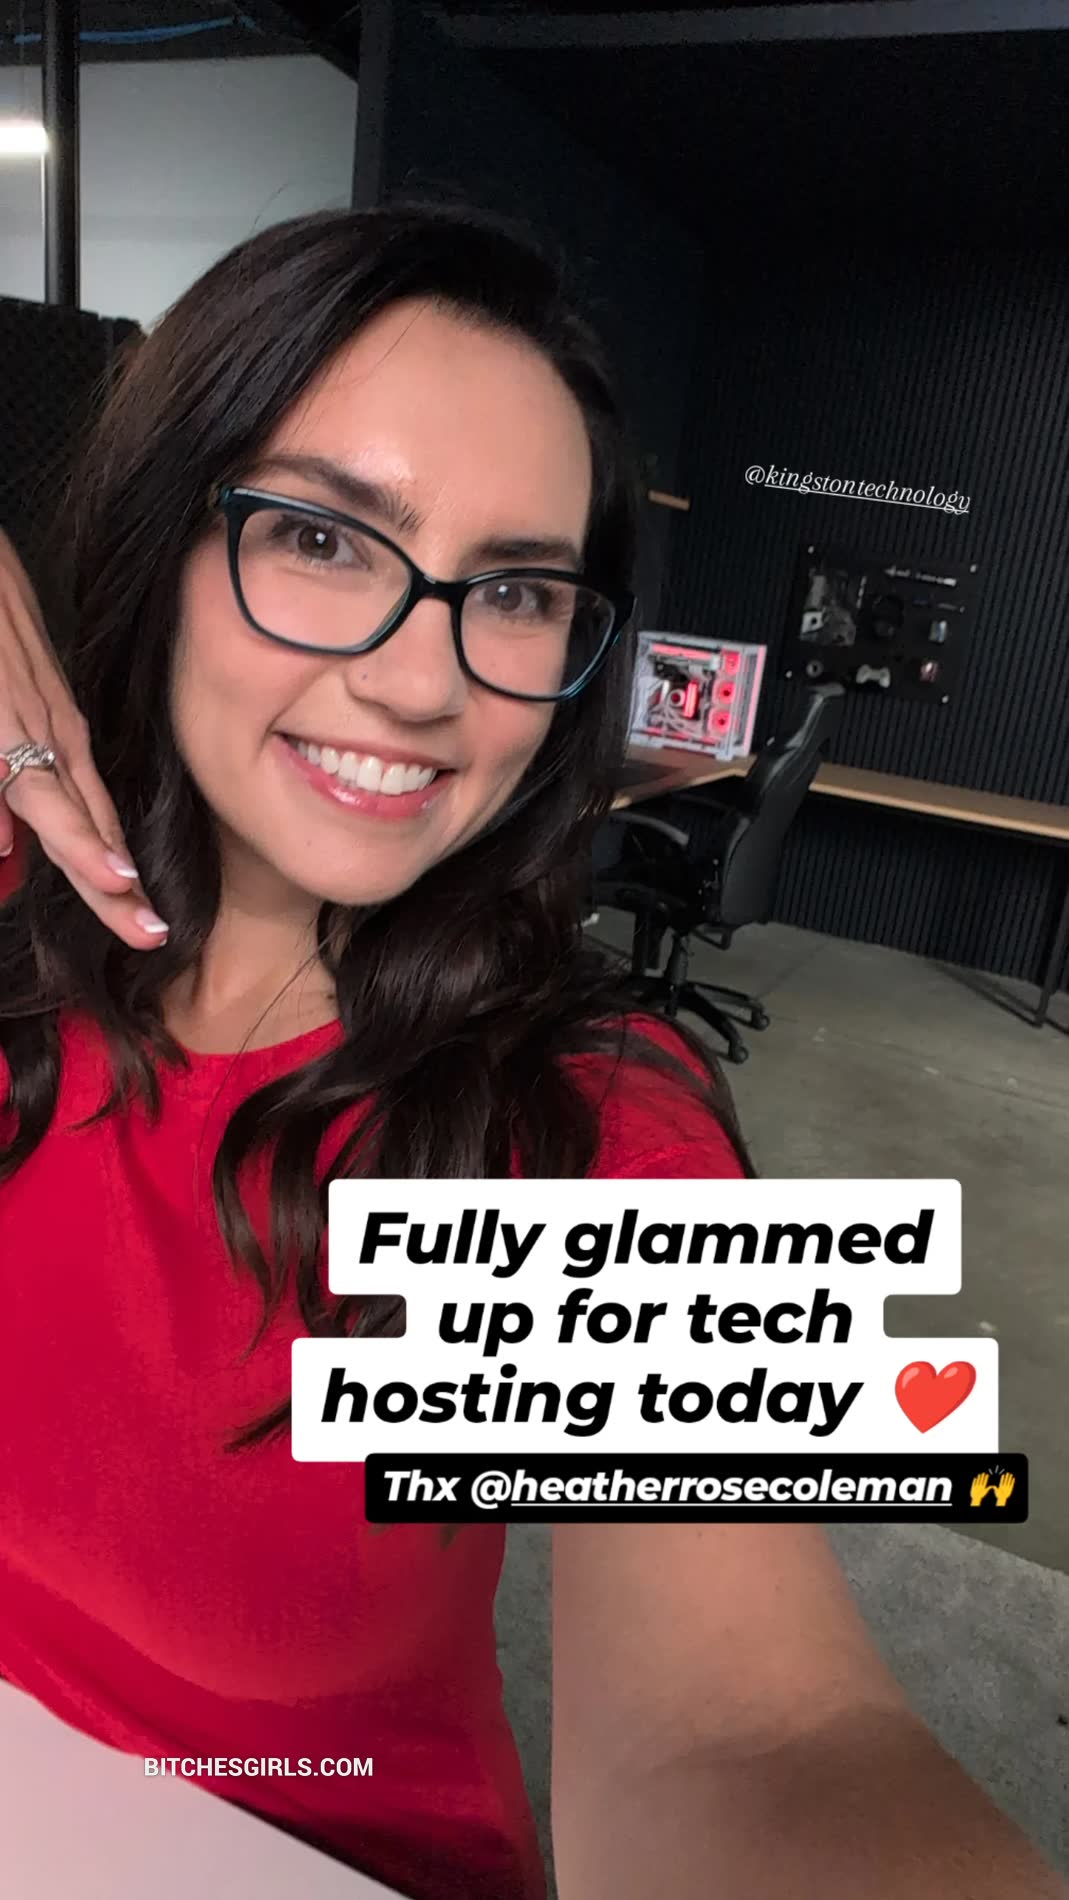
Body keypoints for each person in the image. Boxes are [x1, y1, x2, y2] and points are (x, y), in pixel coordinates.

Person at [0, 205, 1063, 1900]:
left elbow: (751, 1734)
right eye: (323, 539)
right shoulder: (17, 909)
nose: (424, 683)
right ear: (160, 543)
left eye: (512, 591)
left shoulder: (587, 1124)